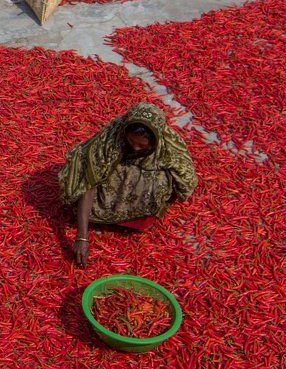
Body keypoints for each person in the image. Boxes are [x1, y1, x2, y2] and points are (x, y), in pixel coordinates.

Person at [58, 103, 197, 267]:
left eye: (142, 145)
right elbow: (88, 183)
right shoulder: (110, 139)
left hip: (141, 183)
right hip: (112, 181)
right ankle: (96, 216)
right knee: (86, 168)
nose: (135, 147)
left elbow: (186, 178)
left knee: (161, 181)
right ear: (125, 131)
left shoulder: (168, 146)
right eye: (131, 140)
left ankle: (138, 219)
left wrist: (163, 201)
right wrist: (82, 237)